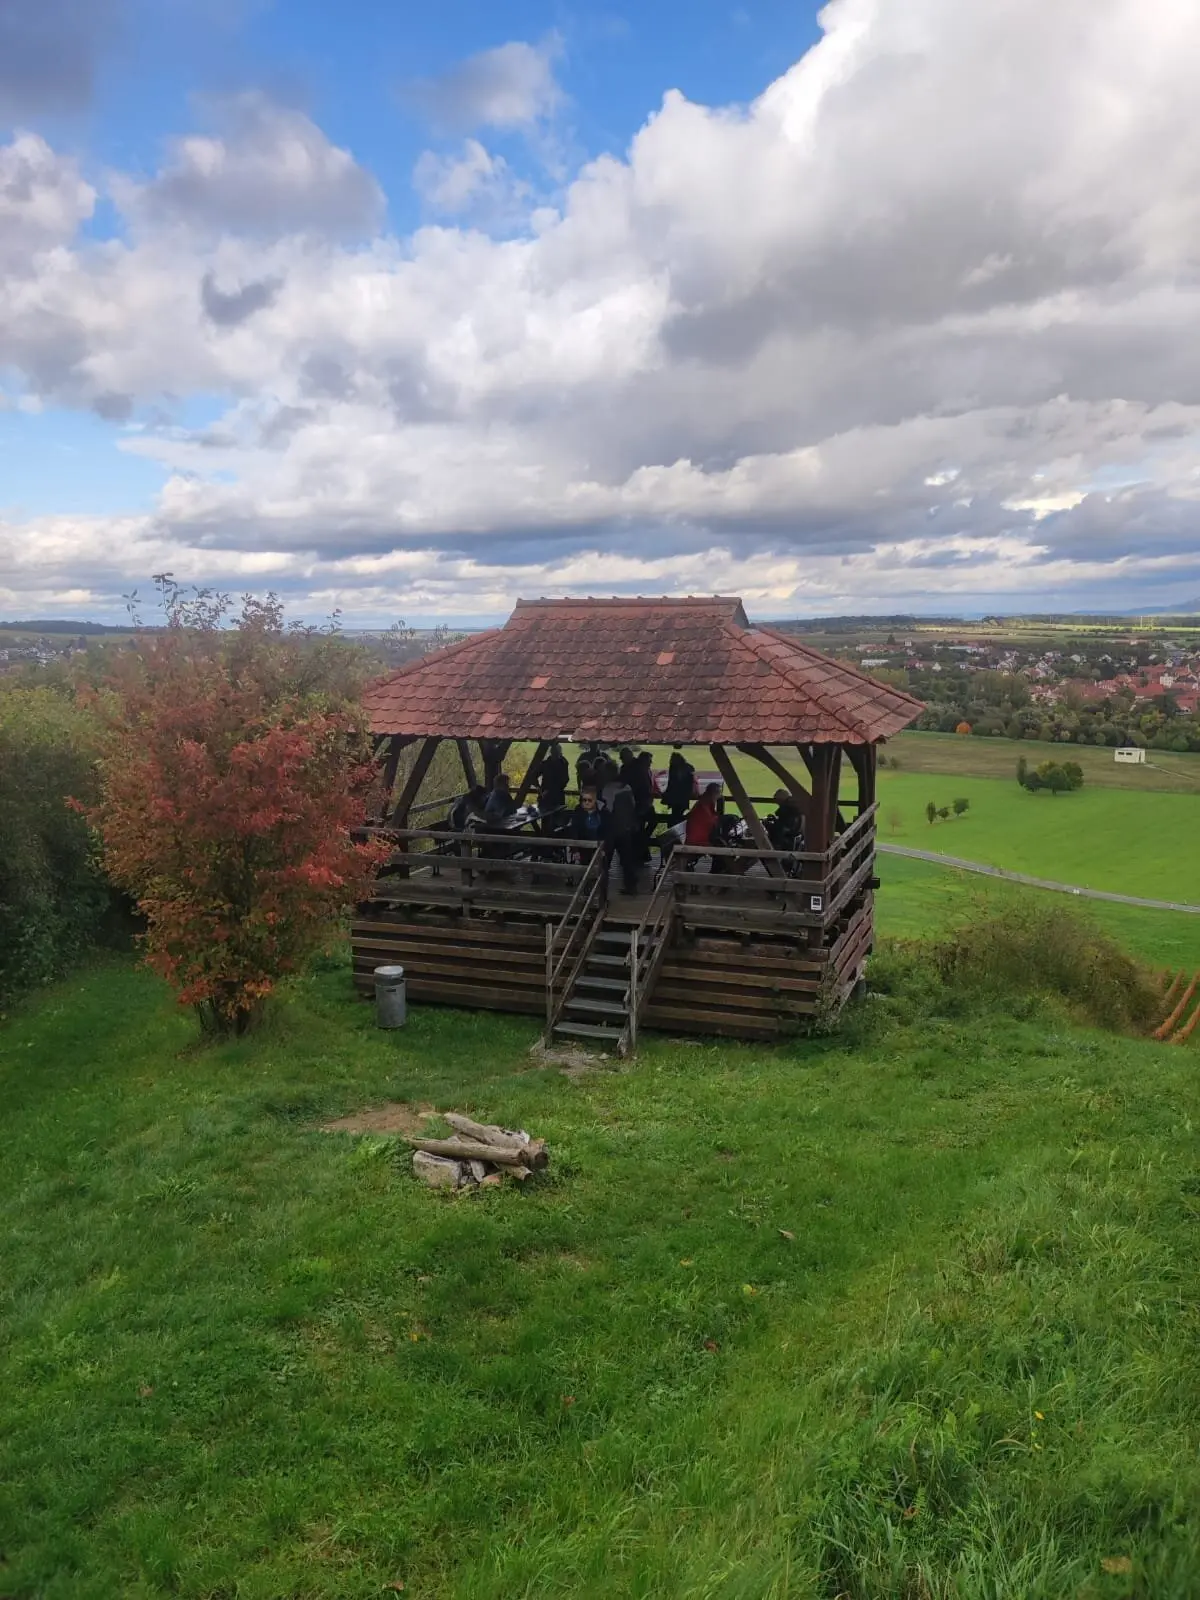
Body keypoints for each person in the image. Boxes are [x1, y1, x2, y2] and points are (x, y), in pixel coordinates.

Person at [567, 787, 606, 858]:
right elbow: (574, 829)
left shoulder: (603, 812)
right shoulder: (578, 810)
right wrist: (575, 850)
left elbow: (607, 831)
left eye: (590, 800)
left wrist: (605, 849)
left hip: (599, 846)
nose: (587, 802)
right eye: (584, 800)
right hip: (583, 846)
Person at [684, 782, 722, 849]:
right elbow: (708, 820)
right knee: (721, 846)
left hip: (697, 838)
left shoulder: (704, 801)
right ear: (713, 793)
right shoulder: (704, 804)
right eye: (719, 793)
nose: (719, 796)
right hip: (698, 840)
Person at [664, 748, 696, 825]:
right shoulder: (687, 768)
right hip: (683, 797)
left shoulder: (674, 768)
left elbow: (671, 783)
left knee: (675, 815)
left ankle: (672, 831)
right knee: (678, 815)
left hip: (676, 797)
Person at [539, 741, 570, 816]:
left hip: (552, 795)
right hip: (551, 796)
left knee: (555, 818)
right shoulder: (561, 763)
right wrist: (540, 789)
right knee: (549, 818)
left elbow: (566, 779)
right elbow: (566, 779)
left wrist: (541, 790)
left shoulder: (546, 764)